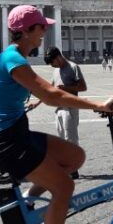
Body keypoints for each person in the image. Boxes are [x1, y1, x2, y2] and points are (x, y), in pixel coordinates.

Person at [0, 5, 113, 224]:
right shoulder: (12, 59)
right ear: (28, 31)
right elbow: (52, 95)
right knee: (64, 187)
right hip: (4, 140)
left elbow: (48, 94)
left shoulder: (17, 58)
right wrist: (97, 105)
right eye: (41, 27)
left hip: (16, 132)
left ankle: (28, 203)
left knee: (74, 157)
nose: (45, 32)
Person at [28, 46, 86, 179]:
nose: (52, 66)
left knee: (70, 139)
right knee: (61, 139)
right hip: (58, 109)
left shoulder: (73, 67)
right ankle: (67, 165)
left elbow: (83, 87)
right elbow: (50, 90)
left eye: (52, 62)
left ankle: (74, 168)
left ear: (58, 57)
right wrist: (37, 102)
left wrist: (66, 88)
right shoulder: (56, 71)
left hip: (70, 108)